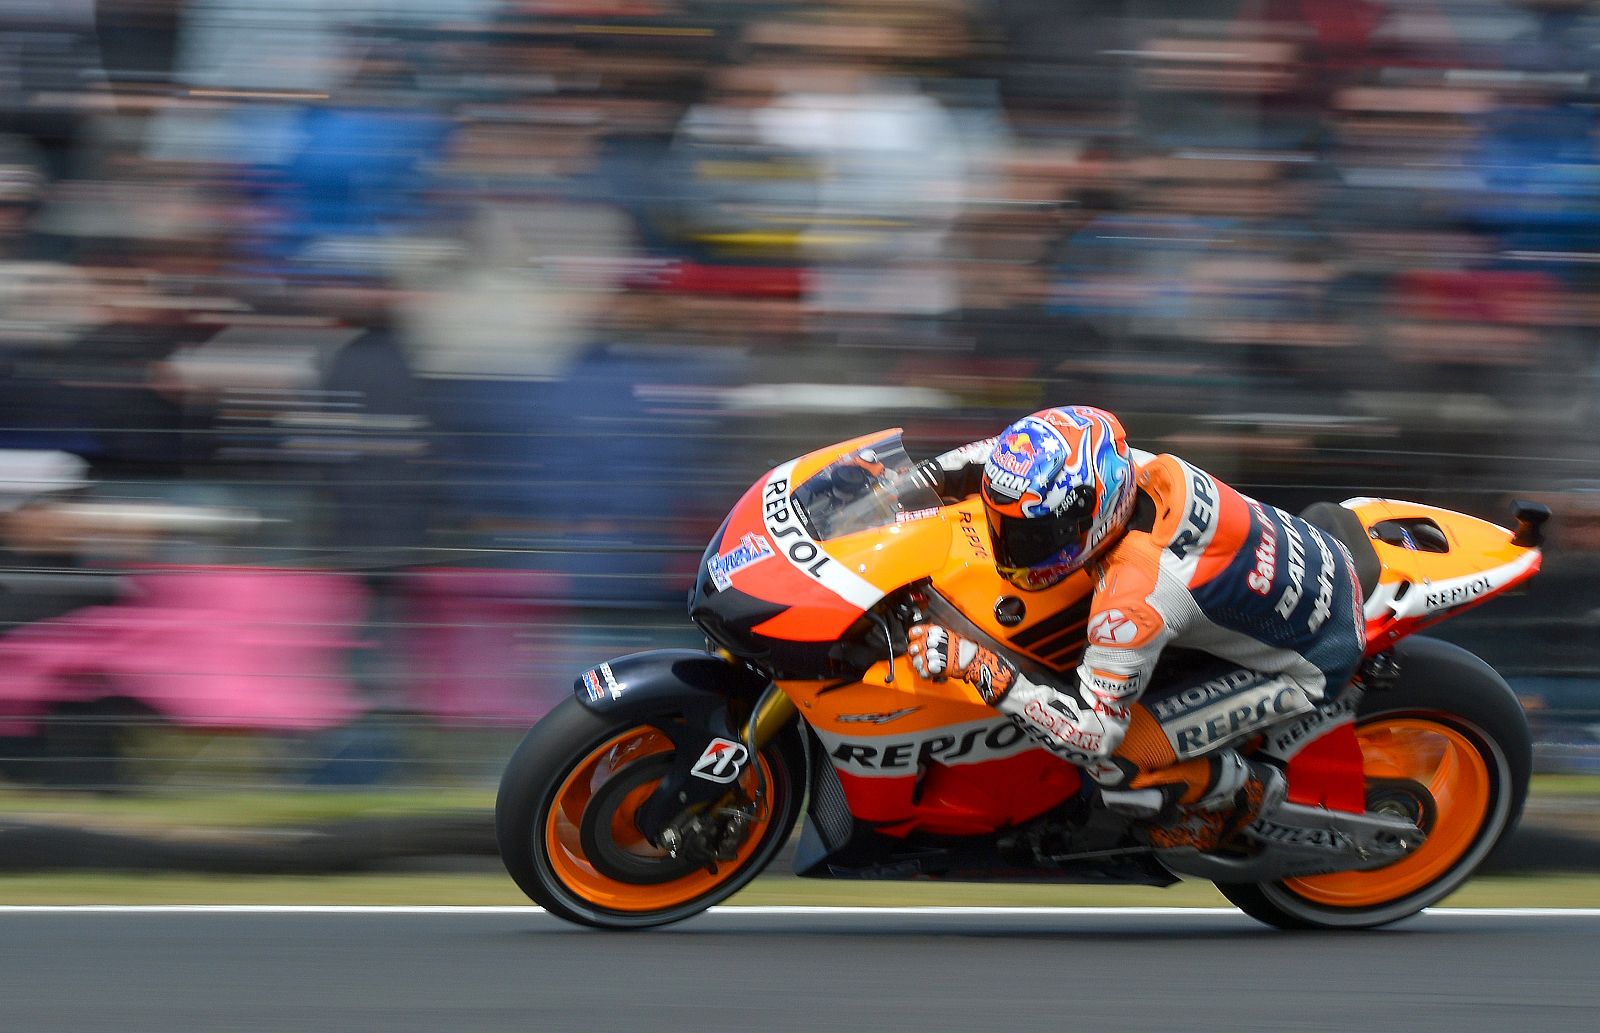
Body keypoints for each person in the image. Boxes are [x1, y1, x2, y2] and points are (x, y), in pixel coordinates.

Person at [905, 406, 1366, 851]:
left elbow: (1094, 735)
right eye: (1006, 529)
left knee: (1118, 767)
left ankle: (1245, 791)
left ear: (1092, 514)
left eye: (1036, 536)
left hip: (1312, 658)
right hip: (1291, 574)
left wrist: (978, 665)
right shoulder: (1122, 466)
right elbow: (996, 458)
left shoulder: (1134, 599)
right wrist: (911, 482)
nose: (1014, 549)